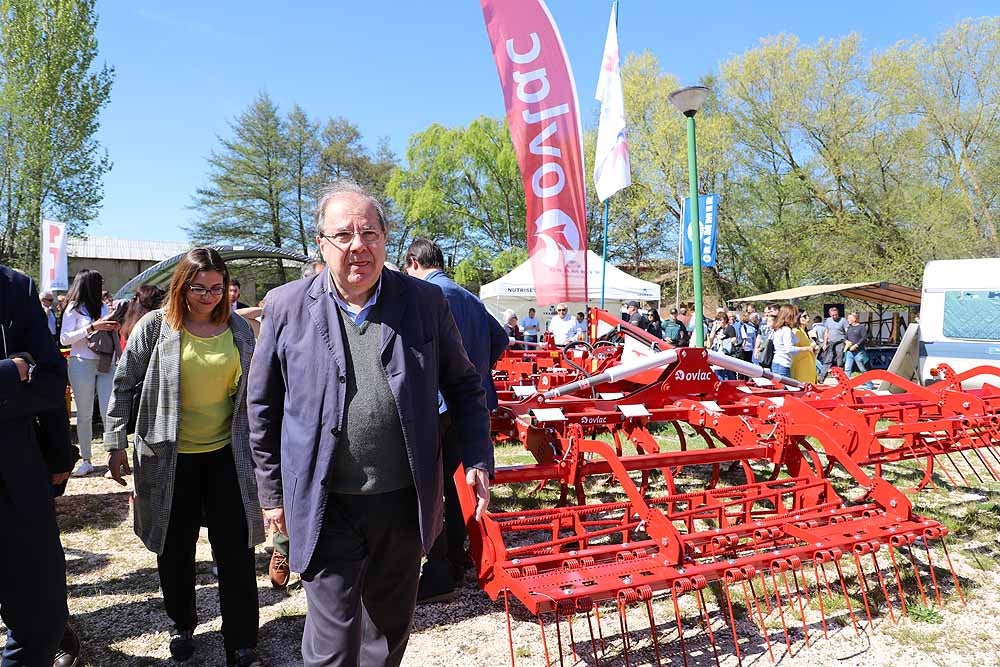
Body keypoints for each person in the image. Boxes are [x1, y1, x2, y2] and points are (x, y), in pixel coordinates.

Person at [247, 180, 493, 667]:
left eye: (370, 233)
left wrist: (478, 458)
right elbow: (262, 406)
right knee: (332, 643)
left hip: (403, 501)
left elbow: (467, 387)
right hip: (325, 500)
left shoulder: (424, 302)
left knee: (386, 635)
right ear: (321, 243)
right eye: (344, 235)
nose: (358, 246)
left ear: (385, 238)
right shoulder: (286, 306)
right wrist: (272, 494)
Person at [104, 249, 264, 667]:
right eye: (199, 288)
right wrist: (115, 442)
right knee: (174, 549)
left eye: (216, 288)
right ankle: (182, 625)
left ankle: (242, 640)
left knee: (236, 548)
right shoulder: (155, 327)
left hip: (227, 455)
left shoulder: (240, 331)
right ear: (181, 286)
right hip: (167, 457)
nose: (209, 296)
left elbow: (256, 393)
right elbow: (122, 385)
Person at [404, 237, 507, 604]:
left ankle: (439, 570)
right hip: (471, 405)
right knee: (461, 485)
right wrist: (478, 370)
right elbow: (501, 338)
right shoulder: (470, 297)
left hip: (439, 407)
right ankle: (459, 559)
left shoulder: (421, 296)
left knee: (433, 487)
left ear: (413, 262)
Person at [0, 266, 77, 667]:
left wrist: (58, 453)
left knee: (42, 618)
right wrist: (9, 374)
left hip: (16, 472)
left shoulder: (14, 287)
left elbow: (50, 379)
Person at [60, 269, 119, 477]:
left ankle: (112, 458)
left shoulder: (102, 306)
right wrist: (92, 327)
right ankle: (86, 460)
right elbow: (64, 339)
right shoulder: (73, 308)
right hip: (81, 362)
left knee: (109, 411)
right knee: (84, 414)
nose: (102, 285)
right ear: (89, 284)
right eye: (99, 281)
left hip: (106, 361)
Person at [771, 304, 811, 378]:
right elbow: (789, 349)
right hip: (783, 364)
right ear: (790, 316)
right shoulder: (786, 330)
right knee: (785, 388)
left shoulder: (779, 329)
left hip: (776, 362)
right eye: (795, 315)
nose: (797, 317)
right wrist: (806, 348)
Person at [820, 306, 849, 381]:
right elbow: (826, 332)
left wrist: (847, 341)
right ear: (830, 314)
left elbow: (847, 331)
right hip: (830, 342)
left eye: (836, 315)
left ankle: (841, 377)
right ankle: (822, 376)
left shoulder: (843, 320)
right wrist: (825, 343)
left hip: (840, 342)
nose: (834, 316)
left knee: (839, 359)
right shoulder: (828, 321)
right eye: (833, 315)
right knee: (828, 359)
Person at [791, 312, 818, 383]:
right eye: (804, 316)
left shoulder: (805, 332)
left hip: (808, 364)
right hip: (801, 365)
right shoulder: (795, 331)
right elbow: (794, 348)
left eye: (808, 316)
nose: (808, 318)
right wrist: (812, 345)